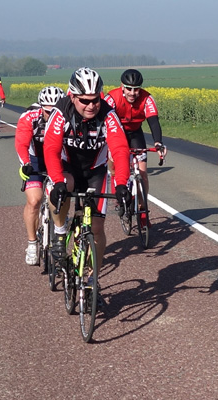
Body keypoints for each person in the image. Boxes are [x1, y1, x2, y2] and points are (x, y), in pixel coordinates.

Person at [43, 67, 131, 276]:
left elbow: (120, 150)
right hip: (67, 168)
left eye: (95, 100)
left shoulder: (108, 114)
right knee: (65, 185)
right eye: (84, 101)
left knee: (97, 229)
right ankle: (60, 232)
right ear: (72, 96)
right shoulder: (61, 112)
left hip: (95, 172)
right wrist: (57, 181)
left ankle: (93, 280)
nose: (91, 106)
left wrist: (121, 184)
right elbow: (51, 149)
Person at [104, 69, 167, 223]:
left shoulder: (147, 99)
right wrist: (108, 145)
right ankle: (118, 198)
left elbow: (153, 122)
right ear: (122, 87)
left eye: (136, 89)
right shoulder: (111, 98)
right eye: (129, 89)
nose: (132, 93)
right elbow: (103, 122)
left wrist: (158, 143)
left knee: (143, 173)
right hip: (116, 133)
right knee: (115, 167)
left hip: (135, 134)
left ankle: (143, 209)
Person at [15, 86, 65, 266]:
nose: (51, 115)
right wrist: (25, 163)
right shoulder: (30, 117)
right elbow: (21, 143)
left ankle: (60, 224)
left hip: (57, 157)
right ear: (41, 107)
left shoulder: (66, 117)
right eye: (47, 111)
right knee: (34, 200)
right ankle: (32, 243)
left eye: (54, 111)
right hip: (35, 159)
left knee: (59, 196)